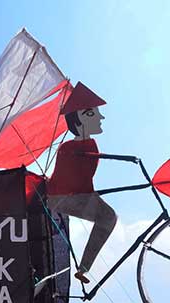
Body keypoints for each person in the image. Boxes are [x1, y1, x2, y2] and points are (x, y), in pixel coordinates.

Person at [47, 82, 119, 285]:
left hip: (78, 196)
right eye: (94, 113)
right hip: (64, 199)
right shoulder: (70, 147)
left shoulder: (87, 145)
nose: (100, 117)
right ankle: (85, 268)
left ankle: (84, 268)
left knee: (108, 217)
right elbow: (70, 180)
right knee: (108, 217)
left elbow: (84, 178)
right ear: (82, 117)